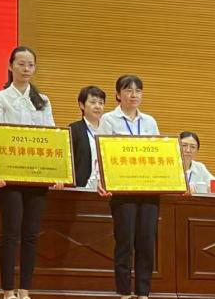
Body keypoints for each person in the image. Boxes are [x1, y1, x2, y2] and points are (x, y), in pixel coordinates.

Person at [0, 46, 58, 299]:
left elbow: (51, 137)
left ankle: (25, 290)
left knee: (31, 235)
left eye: (30, 65)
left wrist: (56, 174)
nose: (26, 69)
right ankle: (8, 291)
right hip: (9, 176)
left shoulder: (43, 100)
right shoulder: (0, 97)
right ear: (10, 66)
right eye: (21, 64)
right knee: (11, 233)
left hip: (37, 176)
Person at [98, 75, 161, 299]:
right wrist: (101, 180)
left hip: (148, 189)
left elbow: (159, 153)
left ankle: (143, 293)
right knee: (124, 242)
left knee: (146, 243)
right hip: (122, 189)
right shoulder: (109, 119)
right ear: (118, 94)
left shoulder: (150, 121)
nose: (133, 95)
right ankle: (124, 292)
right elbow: (101, 153)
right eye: (128, 90)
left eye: (138, 91)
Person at [70, 85, 106, 189]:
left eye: (101, 103)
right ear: (82, 105)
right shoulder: (74, 129)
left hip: (105, 188)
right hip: (81, 187)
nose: (97, 106)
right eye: (93, 102)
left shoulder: (108, 129)